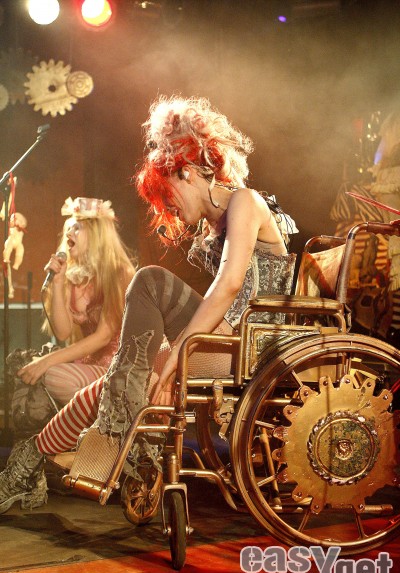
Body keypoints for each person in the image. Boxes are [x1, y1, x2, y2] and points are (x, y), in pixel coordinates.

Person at [0, 95, 297, 514]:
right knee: (110, 386)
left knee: (150, 280)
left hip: (252, 348)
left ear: (187, 172)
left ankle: (109, 430)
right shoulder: (216, 222)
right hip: (225, 341)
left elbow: (229, 286)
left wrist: (177, 353)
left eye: (166, 193)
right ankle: (27, 466)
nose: (167, 206)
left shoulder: (245, 201)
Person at [0, 196, 135, 513]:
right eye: (68, 227)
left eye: (77, 227)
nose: (69, 232)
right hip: (90, 365)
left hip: (120, 366)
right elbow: (62, 332)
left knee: (49, 373)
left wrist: (47, 360)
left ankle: (59, 455)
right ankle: (39, 465)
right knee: (29, 373)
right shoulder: (77, 278)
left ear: (97, 234)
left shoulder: (119, 272)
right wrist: (58, 282)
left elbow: (104, 336)